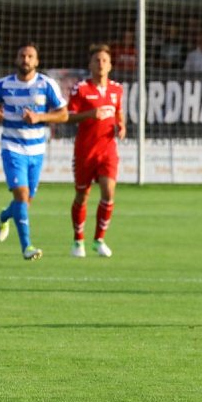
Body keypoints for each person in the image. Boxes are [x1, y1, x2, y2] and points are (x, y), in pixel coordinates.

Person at [0, 43, 68, 260]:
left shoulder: (47, 85)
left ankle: (4, 215)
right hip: (12, 147)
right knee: (22, 195)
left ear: (37, 61)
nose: (26, 59)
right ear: (16, 59)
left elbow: (63, 114)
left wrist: (40, 117)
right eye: (22, 56)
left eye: (30, 56)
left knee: (24, 202)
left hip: (36, 150)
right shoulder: (3, 85)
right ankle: (27, 247)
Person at [66, 44, 126, 258]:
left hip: (108, 150)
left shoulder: (117, 89)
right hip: (85, 151)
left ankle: (99, 239)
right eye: (96, 60)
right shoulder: (80, 89)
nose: (100, 64)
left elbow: (119, 113)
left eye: (104, 60)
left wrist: (122, 125)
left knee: (109, 193)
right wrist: (90, 114)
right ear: (90, 65)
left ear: (110, 65)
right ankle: (78, 240)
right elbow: (68, 116)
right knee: (82, 196)